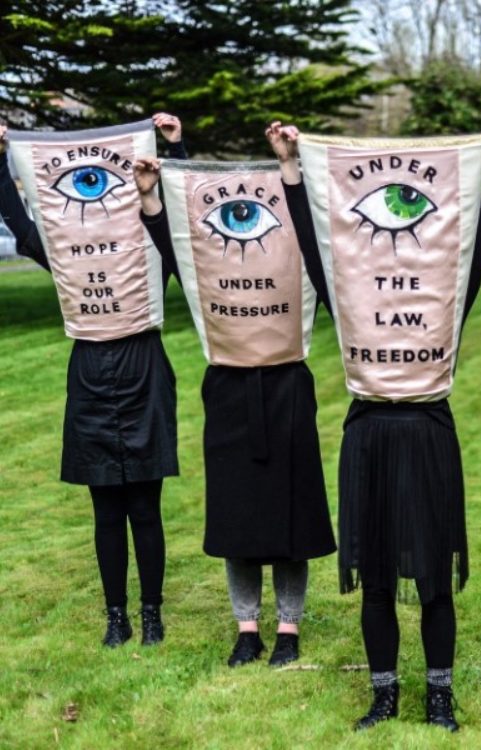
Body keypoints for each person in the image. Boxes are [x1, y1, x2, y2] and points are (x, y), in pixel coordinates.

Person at [264, 106, 481, 730]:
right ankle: (384, 695)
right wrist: (291, 171)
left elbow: (476, 245)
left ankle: (440, 697)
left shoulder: (447, 293)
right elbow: (317, 251)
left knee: (432, 581)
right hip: (367, 433)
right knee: (374, 579)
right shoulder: (348, 291)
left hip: (428, 433)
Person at [131, 156, 336, 667]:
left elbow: (313, 233)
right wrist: (152, 197)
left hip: (288, 386)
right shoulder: (210, 262)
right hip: (227, 391)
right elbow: (180, 244)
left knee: (292, 521)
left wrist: (291, 168)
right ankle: (248, 631)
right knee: (236, 518)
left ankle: (288, 631)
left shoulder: (300, 251)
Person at [0, 114, 186, 647]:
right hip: (89, 372)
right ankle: (116, 616)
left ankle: (152, 614)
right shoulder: (64, 255)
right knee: (106, 507)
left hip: (144, 367)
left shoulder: (151, 250)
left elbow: (177, 226)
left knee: (145, 508)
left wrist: (174, 148)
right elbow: (18, 221)